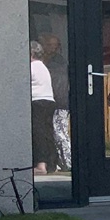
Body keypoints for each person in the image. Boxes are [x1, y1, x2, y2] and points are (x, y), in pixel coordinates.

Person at [39, 34, 71, 172]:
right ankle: (57, 161)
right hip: (51, 101)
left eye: (54, 45)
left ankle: (68, 162)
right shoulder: (47, 61)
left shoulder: (58, 63)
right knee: (52, 133)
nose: (51, 48)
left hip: (59, 101)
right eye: (48, 45)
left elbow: (59, 83)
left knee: (60, 132)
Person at [29, 41, 56, 175]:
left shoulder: (31, 67)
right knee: (47, 132)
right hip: (48, 100)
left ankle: (40, 165)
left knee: (37, 133)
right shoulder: (43, 67)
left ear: (31, 53)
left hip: (37, 101)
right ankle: (51, 164)